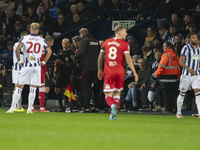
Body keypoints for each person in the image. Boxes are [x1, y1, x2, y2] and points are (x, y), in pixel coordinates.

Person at [6, 22, 52, 114]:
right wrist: (44, 62)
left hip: (27, 65)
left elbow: (17, 49)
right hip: (37, 66)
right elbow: (49, 51)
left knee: (19, 86)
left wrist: (19, 61)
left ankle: (12, 108)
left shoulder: (24, 38)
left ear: (30, 30)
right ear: (38, 30)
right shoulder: (41, 40)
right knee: (33, 87)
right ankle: (29, 109)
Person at [98, 25, 138, 120]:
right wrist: (134, 72)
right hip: (120, 71)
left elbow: (100, 57)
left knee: (108, 94)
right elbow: (128, 59)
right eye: (125, 32)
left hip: (109, 71)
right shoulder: (124, 44)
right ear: (119, 33)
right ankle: (114, 109)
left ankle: (112, 106)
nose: (126, 34)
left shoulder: (106, 42)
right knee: (117, 93)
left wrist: (99, 69)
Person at [74, 28, 101, 112]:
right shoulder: (96, 41)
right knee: (90, 88)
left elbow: (81, 52)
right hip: (95, 68)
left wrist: (74, 57)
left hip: (86, 68)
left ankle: (84, 106)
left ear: (81, 34)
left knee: (84, 87)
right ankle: (91, 106)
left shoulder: (84, 40)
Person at [176, 32, 200, 118]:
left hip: (196, 75)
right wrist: (189, 69)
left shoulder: (199, 49)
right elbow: (181, 62)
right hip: (186, 75)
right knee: (182, 93)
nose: (195, 39)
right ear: (190, 39)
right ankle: (178, 113)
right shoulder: (186, 48)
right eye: (193, 38)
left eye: (196, 38)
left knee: (198, 93)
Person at [152, 41, 180, 113]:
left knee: (166, 94)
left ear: (168, 47)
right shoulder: (175, 55)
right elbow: (178, 68)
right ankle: (174, 108)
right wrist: (178, 77)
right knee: (173, 94)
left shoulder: (165, 55)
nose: (163, 48)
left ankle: (168, 109)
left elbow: (161, 68)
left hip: (166, 78)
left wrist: (154, 76)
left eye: (164, 46)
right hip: (174, 78)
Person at [54, 38, 74, 112]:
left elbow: (72, 64)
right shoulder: (60, 52)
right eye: (63, 43)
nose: (64, 44)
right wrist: (55, 72)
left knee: (66, 90)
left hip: (67, 73)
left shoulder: (71, 53)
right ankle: (60, 106)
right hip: (60, 72)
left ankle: (66, 105)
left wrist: (72, 74)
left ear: (69, 44)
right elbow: (56, 63)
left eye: (66, 43)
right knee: (57, 89)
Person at [12, 31, 29, 112]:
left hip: (19, 68)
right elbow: (21, 57)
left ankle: (18, 106)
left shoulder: (19, 44)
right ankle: (16, 106)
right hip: (18, 68)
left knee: (19, 86)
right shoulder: (19, 45)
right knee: (17, 86)